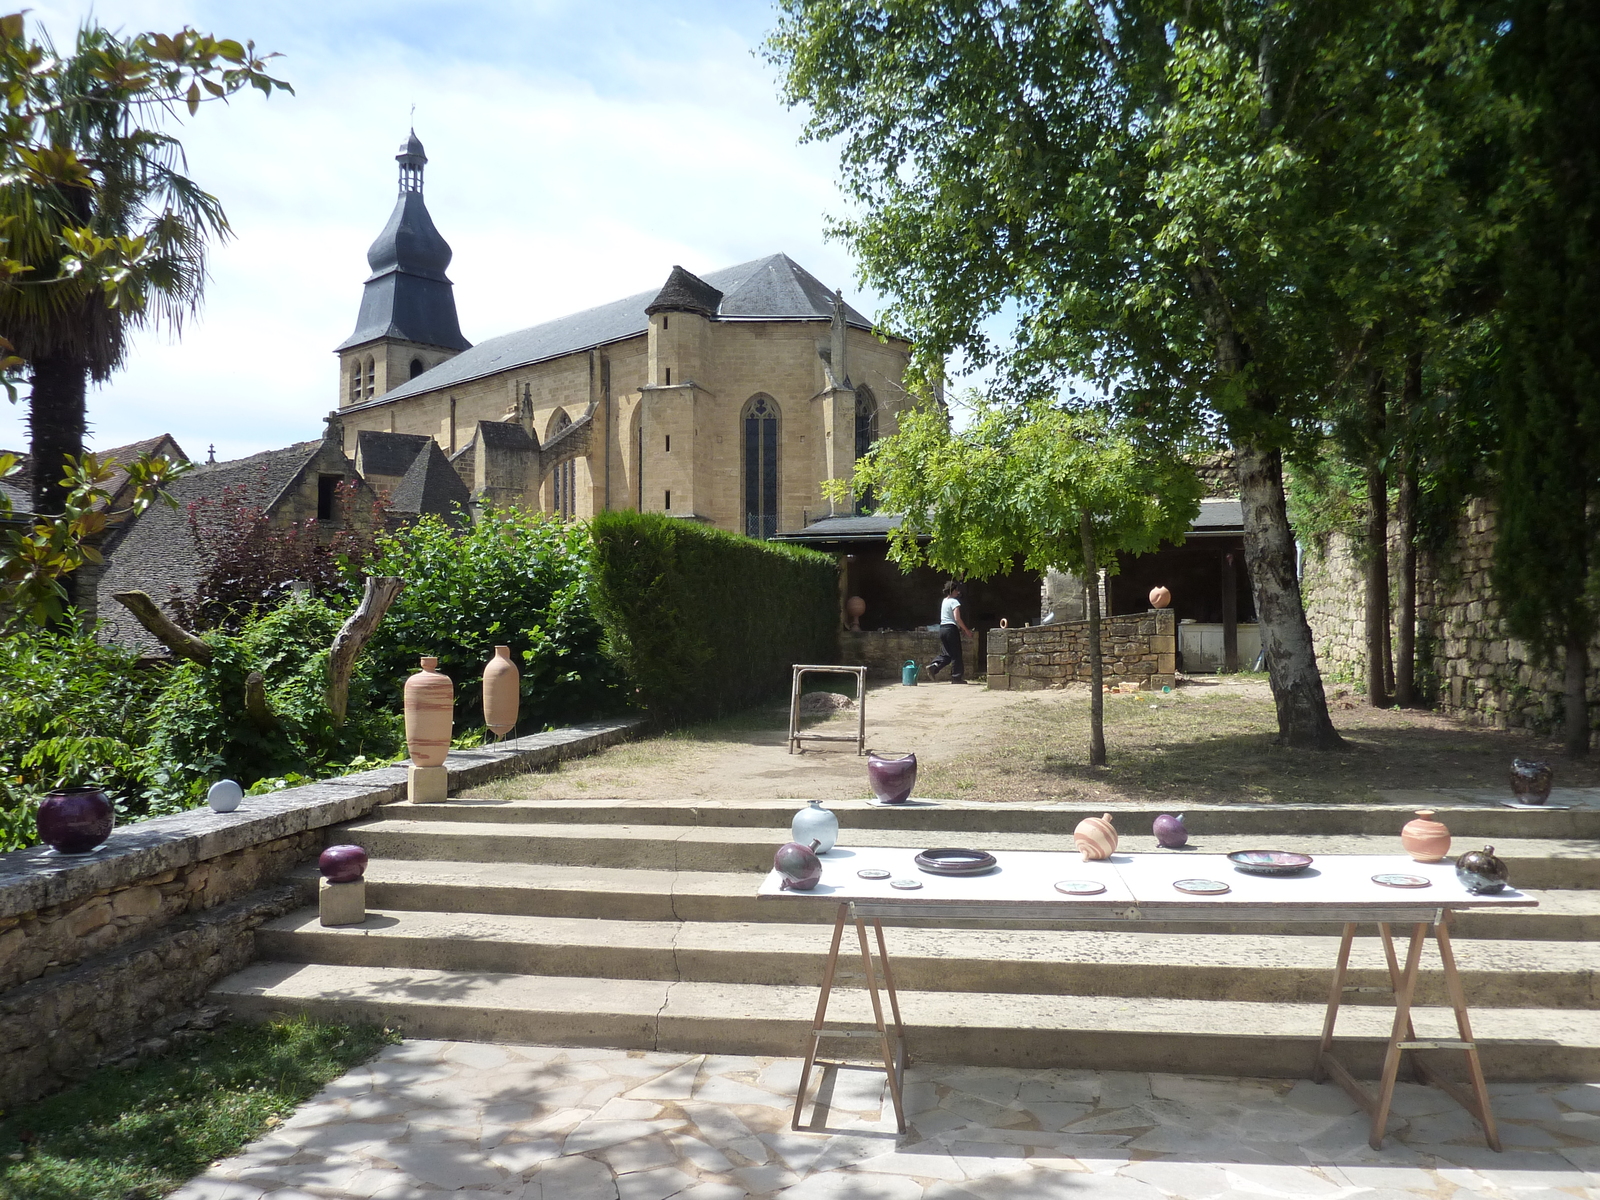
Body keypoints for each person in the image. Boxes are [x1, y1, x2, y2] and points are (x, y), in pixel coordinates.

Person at [926, 580, 972, 683]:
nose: (958, 592)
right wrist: (966, 630)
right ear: (953, 591)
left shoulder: (944, 601)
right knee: (956, 654)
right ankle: (956, 677)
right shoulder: (954, 601)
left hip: (942, 629)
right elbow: (957, 618)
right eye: (957, 590)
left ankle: (934, 666)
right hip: (951, 629)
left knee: (947, 653)